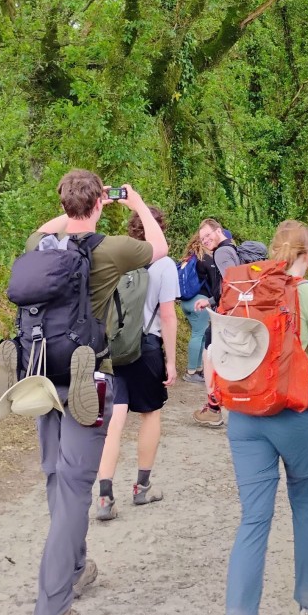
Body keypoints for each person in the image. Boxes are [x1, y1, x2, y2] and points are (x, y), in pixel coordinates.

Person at [5, 170, 168, 615]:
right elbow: (158, 249)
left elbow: (49, 225)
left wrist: (77, 209)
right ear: (100, 202)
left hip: (40, 377)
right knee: (77, 487)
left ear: (63, 203)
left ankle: (75, 567)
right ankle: (52, 607)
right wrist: (133, 203)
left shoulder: (41, 244)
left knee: (60, 477)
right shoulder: (111, 248)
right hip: (84, 380)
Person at [215, 221, 308, 615]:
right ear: (307, 253)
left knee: (253, 518)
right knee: (307, 501)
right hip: (293, 414)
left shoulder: (245, 287)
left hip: (244, 416)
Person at [94, 206, 178, 521]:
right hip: (146, 348)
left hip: (114, 349)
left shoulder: (118, 260)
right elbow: (167, 315)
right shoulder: (165, 264)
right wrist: (171, 361)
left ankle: (104, 498)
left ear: (132, 231)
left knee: (114, 419)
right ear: (161, 229)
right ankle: (142, 487)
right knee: (150, 414)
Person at [192, 219, 240, 428]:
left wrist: (216, 303)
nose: (205, 240)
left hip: (227, 314)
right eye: (202, 239)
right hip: (235, 312)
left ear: (218, 231)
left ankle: (213, 408)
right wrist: (210, 301)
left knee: (209, 355)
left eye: (208, 235)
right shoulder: (232, 249)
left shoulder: (221, 252)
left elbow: (230, 285)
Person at [179, 231, 211, 383]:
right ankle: (191, 372)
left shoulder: (188, 258)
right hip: (199, 301)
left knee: (200, 334)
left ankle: (197, 369)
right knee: (199, 334)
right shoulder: (204, 259)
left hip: (185, 302)